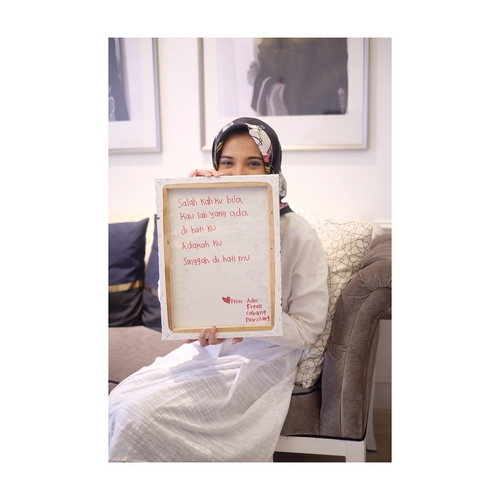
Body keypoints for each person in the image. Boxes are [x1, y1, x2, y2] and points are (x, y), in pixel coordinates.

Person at [108, 117, 329, 462]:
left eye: (253, 163)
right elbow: (174, 305)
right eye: (227, 163)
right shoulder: (201, 224)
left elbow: (307, 329)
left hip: (261, 364)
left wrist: (251, 319)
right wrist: (181, 216)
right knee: (116, 405)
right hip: (206, 355)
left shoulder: (298, 235)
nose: (237, 173)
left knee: (138, 417)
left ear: (271, 168)